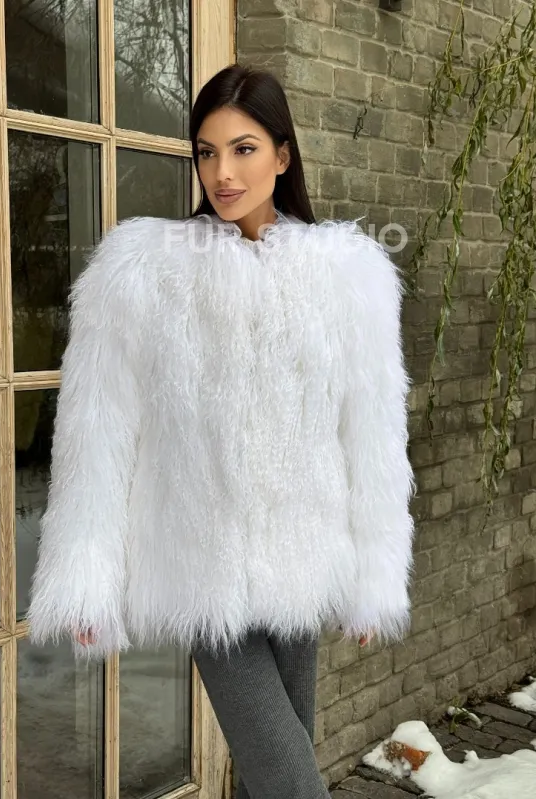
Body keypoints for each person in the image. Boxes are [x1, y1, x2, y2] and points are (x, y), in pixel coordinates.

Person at [27, 64, 415, 799]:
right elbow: (97, 425)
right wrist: (86, 575)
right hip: (201, 564)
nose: (222, 173)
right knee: (290, 779)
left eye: (243, 149)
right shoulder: (143, 269)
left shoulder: (349, 275)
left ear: (283, 155)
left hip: (305, 552)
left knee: (272, 771)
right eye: (207, 152)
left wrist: (375, 572)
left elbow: (372, 431)